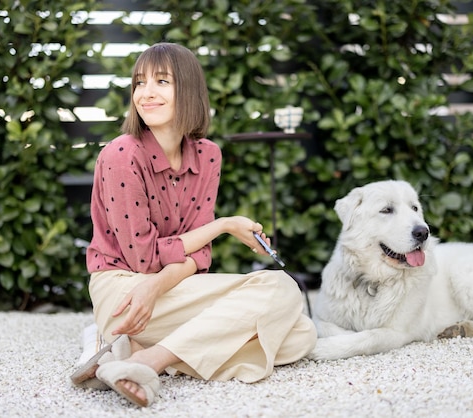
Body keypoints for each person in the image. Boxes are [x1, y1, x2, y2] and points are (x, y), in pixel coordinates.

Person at [70, 42, 316, 408]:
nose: (145, 93)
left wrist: (157, 287)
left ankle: (140, 356)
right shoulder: (121, 155)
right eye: (139, 83)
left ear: (188, 90)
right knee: (279, 293)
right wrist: (223, 225)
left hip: (165, 287)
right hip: (124, 290)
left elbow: (199, 256)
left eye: (162, 81)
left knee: (301, 335)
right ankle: (132, 345)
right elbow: (143, 259)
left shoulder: (208, 155)